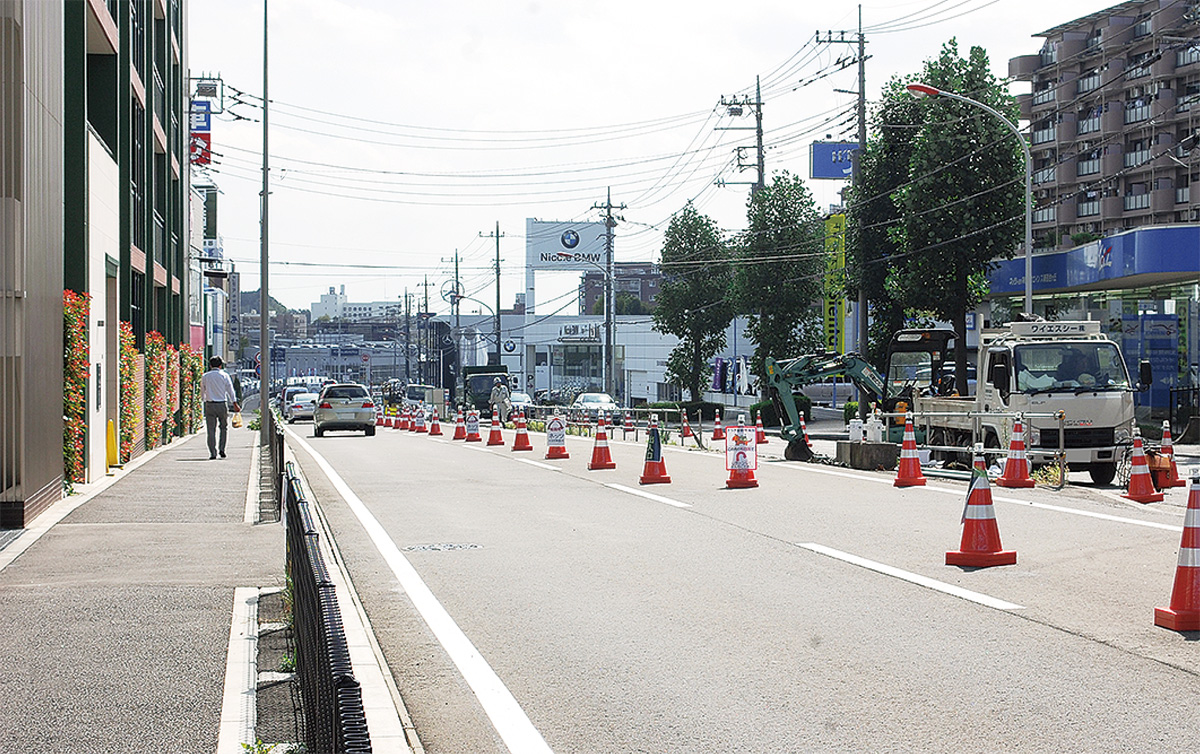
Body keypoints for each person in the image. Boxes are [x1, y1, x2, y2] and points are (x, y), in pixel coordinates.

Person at [201, 356, 240, 460]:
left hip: (210, 404)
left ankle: (212, 452)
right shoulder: (225, 375)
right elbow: (230, 390)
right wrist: (234, 403)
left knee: (211, 429)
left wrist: (204, 400)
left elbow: (202, 391)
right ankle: (222, 449)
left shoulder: (205, 376)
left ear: (210, 365)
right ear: (220, 365)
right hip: (222, 404)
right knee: (223, 427)